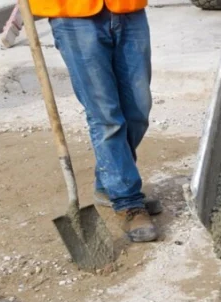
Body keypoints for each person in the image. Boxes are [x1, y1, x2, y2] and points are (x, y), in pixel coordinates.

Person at [30, 0, 162, 242]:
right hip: (74, 15)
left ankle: (107, 184)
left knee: (138, 110)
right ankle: (128, 202)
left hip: (128, 8)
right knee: (106, 117)